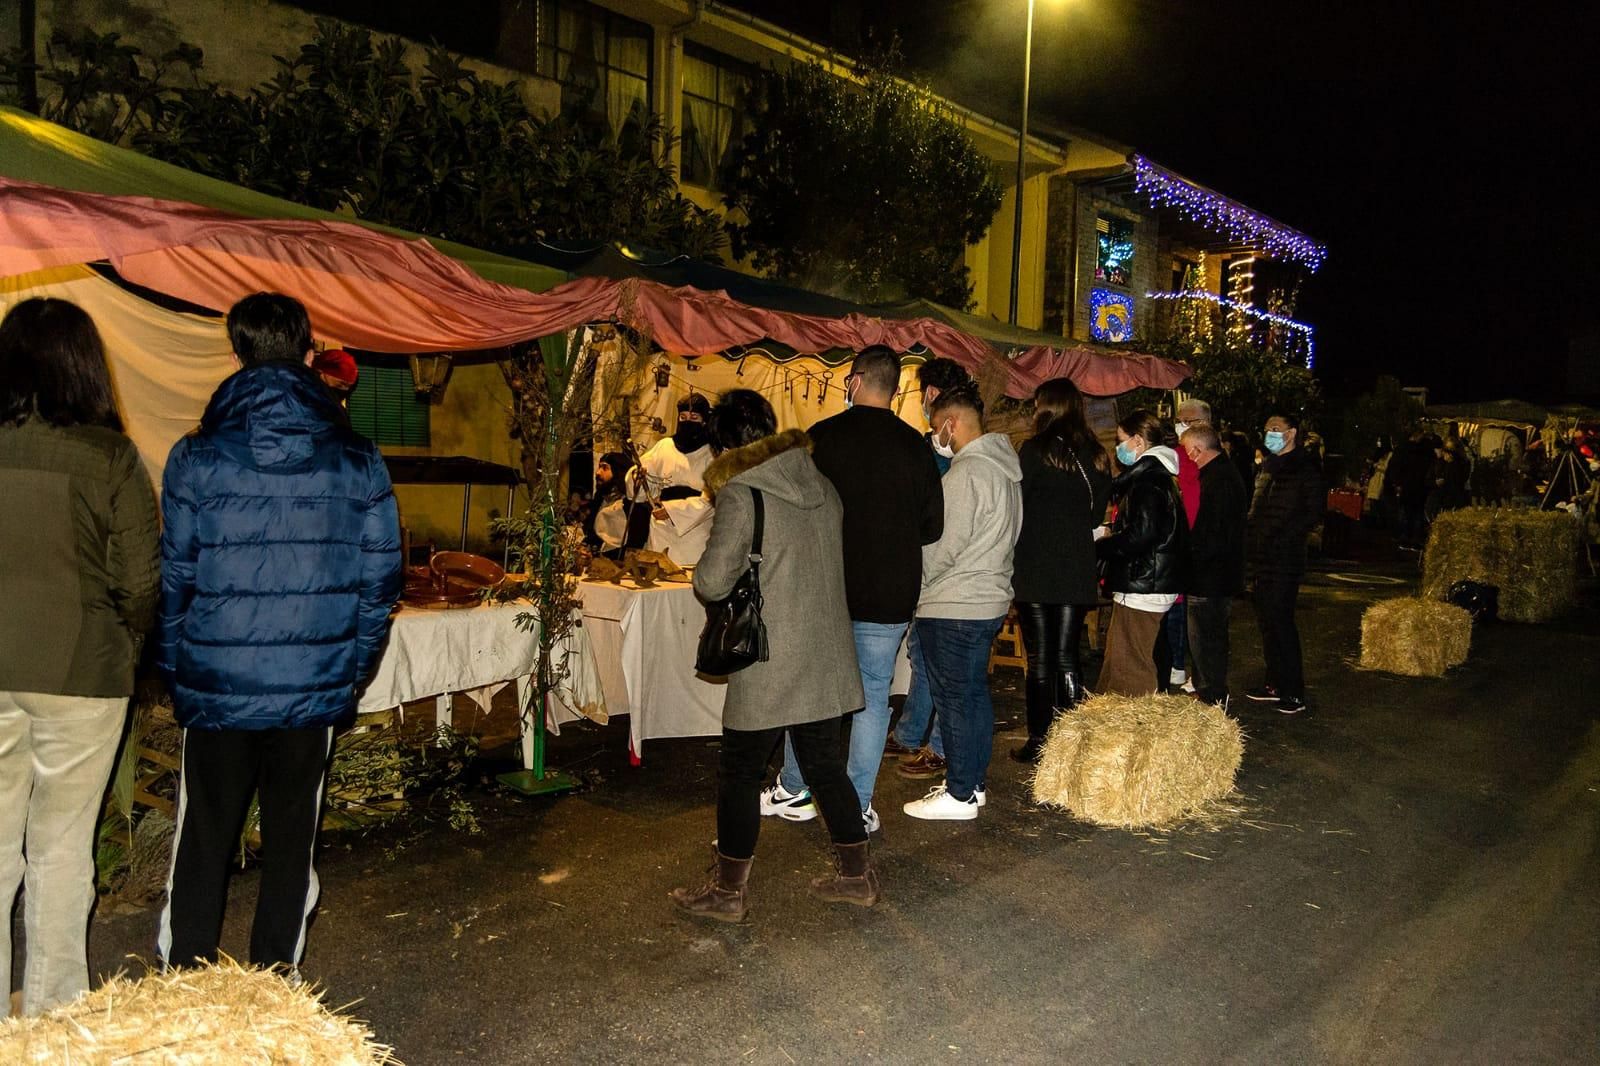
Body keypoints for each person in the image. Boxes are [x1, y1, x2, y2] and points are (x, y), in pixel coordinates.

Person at [157, 293, 403, 974]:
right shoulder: (357, 457)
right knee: (293, 841)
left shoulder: (196, 456)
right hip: (309, 692)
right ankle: (274, 980)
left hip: (217, 687)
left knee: (204, 838)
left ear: (236, 350)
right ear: (306, 348)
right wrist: (345, 677)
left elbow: (174, 578)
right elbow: (381, 583)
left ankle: (184, 981)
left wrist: (180, 674)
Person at [0, 299, 160, 1016]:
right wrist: (126, 646)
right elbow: (141, 578)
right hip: (84, 671)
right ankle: (53, 1013)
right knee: (62, 847)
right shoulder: (109, 454)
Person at [672, 389, 876, 921]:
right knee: (826, 767)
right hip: (826, 653)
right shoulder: (822, 484)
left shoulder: (742, 493)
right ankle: (857, 877)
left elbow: (713, 583)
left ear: (726, 443)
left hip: (769, 661)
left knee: (740, 771)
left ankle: (727, 892)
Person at [764, 347, 944, 831]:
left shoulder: (822, 438)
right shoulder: (916, 448)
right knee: (870, 700)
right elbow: (932, 528)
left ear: (857, 381)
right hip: (889, 595)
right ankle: (857, 805)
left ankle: (795, 788)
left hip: (824, 591)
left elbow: (793, 514)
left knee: (811, 694)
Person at [902, 384, 1023, 821]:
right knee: (972, 698)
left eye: (937, 427)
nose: (936, 436)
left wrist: (911, 587)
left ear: (951, 424)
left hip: (953, 604)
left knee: (955, 700)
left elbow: (938, 547)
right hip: (986, 600)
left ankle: (959, 793)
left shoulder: (967, 473)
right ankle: (972, 784)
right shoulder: (1005, 470)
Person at [1008, 377, 1112, 762]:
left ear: (1047, 407)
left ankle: (1039, 741)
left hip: (1035, 566)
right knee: (1068, 655)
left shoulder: (1034, 451)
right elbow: (1096, 516)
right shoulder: (1098, 455)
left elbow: (1018, 506)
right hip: (1075, 566)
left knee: (1041, 658)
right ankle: (1071, 745)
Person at [885, 355, 976, 772]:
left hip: (941, 571)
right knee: (923, 656)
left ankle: (937, 746)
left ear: (933, 396)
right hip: (931, 569)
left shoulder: (950, 454)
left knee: (937, 662)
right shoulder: (959, 450)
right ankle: (910, 734)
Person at [1093, 411, 1188, 697]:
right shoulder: (1158, 477)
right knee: (1120, 656)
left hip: (1144, 582)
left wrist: (1103, 543)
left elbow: (1141, 536)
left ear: (1137, 441)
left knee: (1131, 663)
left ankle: (1136, 725)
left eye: (1121, 441)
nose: (1117, 449)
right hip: (1146, 580)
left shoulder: (1148, 480)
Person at [1243, 411, 1324, 715]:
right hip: (1262, 556)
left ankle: (1293, 690)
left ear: (1291, 433)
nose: (1270, 434)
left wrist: (1282, 536)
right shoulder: (1267, 468)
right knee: (1266, 622)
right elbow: (1257, 509)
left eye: (1275, 429)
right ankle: (1273, 682)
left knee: (1281, 622)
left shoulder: (1305, 467)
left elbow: (1312, 512)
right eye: (1266, 429)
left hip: (1286, 557)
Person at [1179, 423, 1248, 707]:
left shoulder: (1217, 480)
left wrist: (1190, 557)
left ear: (1197, 450)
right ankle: (1209, 690)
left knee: (1206, 639)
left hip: (1211, 577)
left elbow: (1211, 533)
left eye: (1187, 450)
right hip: (1218, 573)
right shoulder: (1223, 473)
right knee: (1210, 638)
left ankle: (1211, 694)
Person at [623, 393, 714, 550]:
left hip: (696, 535)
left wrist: (673, 511)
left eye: (694, 418)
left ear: (704, 421)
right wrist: (637, 478)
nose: (688, 422)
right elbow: (643, 485)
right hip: (662, 532)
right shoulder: (665, 446)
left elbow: (712, 500)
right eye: (683, 417)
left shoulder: (713, 453)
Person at [1165, 398, 1208, 690]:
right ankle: (1179, 666)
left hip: (1196, 542)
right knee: (1181, 607)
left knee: (1191, 612)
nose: (1179, 424)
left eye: (1185, 420)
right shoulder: (1181, 456)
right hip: (1185, 541)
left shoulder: (1198, 458)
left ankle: (1186, 668)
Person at [584, 450, 630, 556]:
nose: (598, 472)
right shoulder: (600, 499)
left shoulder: (628, 504)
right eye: (599, 467)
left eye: (605, 468)